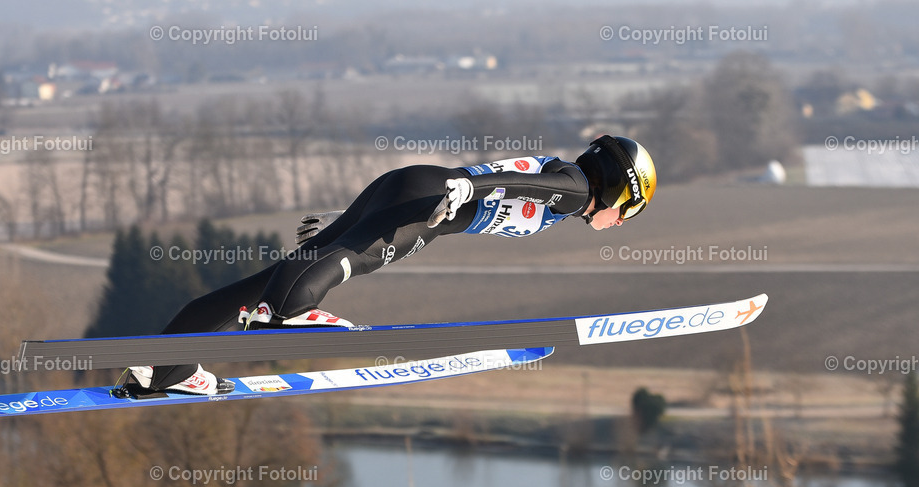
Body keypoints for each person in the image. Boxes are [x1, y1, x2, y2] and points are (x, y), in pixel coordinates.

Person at [126, 134, 656, 395]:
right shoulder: (574, 189)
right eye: (629, 212)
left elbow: (522, 181)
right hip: (432, 200)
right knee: (356, 259)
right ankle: (289, 312)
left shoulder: (571, 183)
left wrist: (349, 217)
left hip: (413, 188)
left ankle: (162, 367)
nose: (622, 222)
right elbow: (524, 184)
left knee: (266, 281)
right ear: (618, 191)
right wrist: (470, 186)